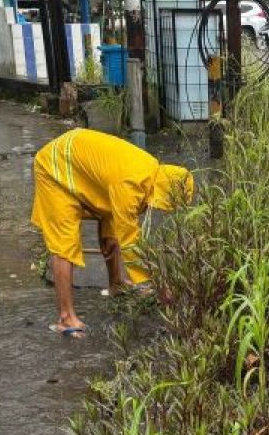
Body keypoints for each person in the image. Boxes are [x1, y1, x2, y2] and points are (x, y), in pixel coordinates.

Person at [31, 129, 194, 338]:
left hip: (77, 157)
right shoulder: (130, 185)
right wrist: (160, 287)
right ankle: (66, 318)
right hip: (55, 165)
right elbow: (131, 243)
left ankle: (116, 284)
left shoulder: (150, 170)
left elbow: (119, 225)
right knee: (64, 241)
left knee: (109, 219)